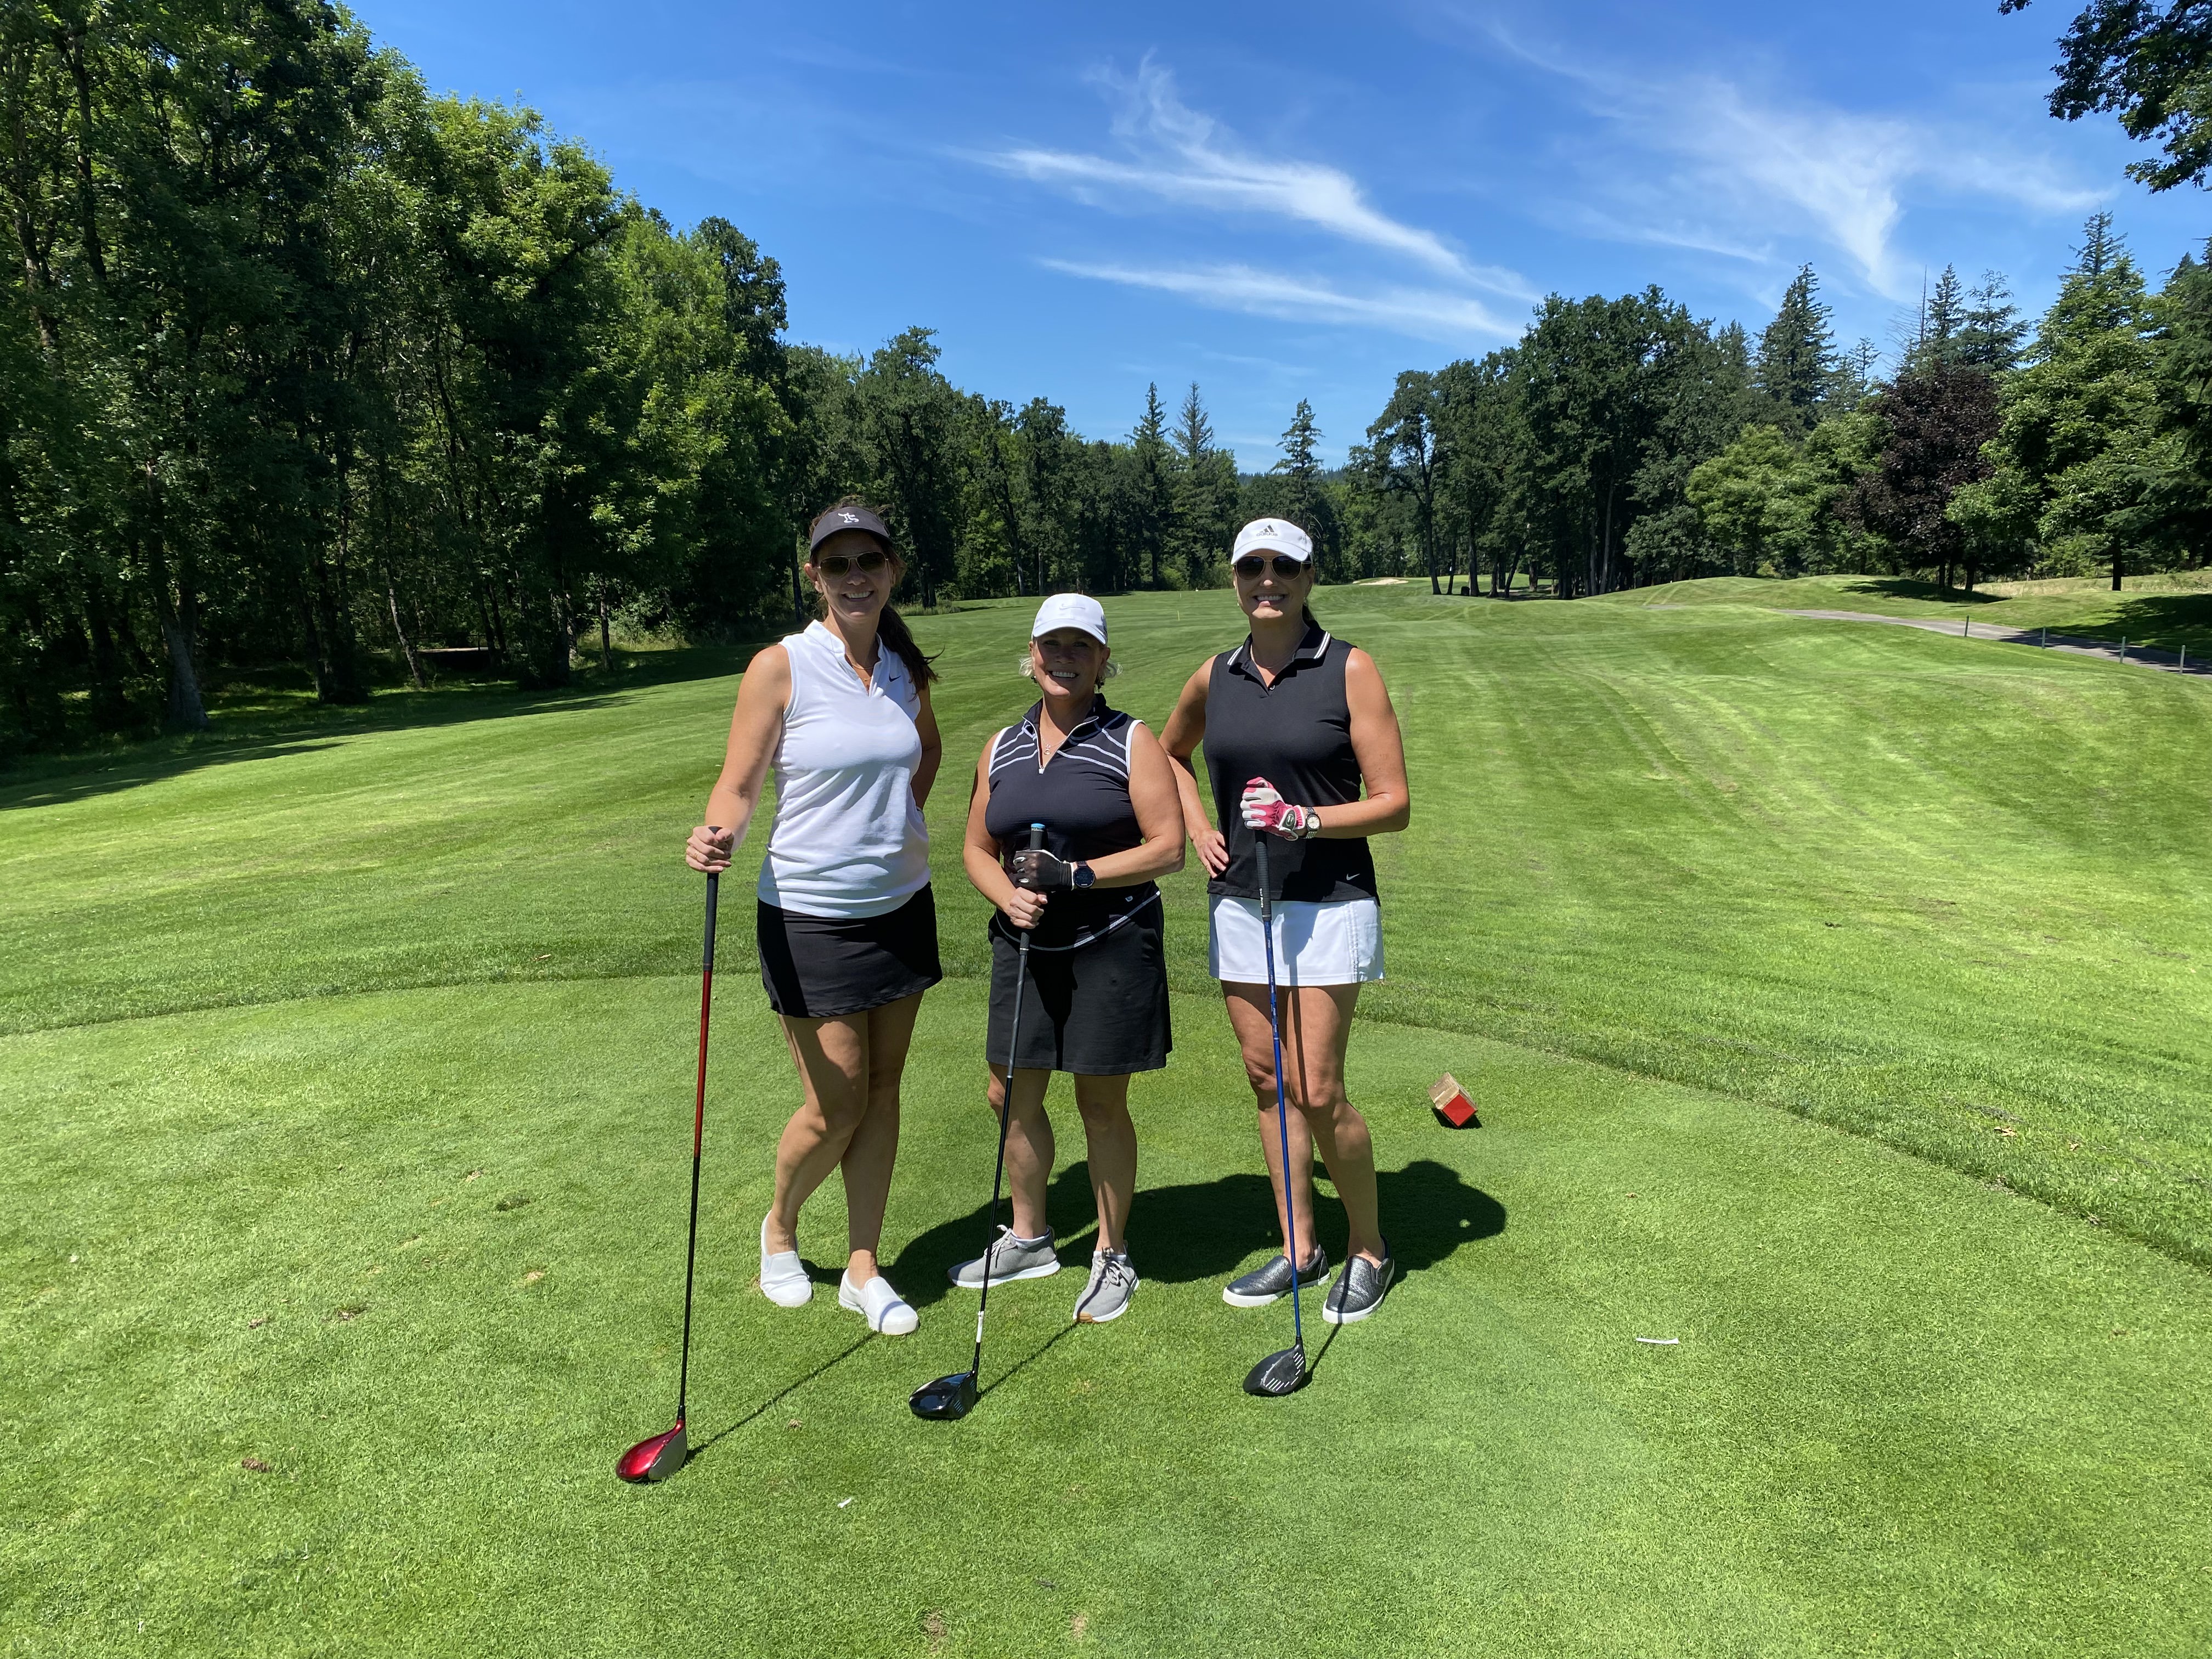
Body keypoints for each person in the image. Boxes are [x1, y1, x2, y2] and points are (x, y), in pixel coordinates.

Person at [684, 499, 943, 1338]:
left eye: (869, 560)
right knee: (835, 1102)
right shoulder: (782, 666)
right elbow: (740, 778)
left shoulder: (905, 667)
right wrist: (720, 831)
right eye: (838, 564)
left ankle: (864, 1264)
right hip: (810, 915)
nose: (856, 575)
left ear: (893, 569)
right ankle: (782, 1228)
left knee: (884, 1089)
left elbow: (925, 749)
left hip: (902, 905)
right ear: (815, 577)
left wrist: (898, 821)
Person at [1161, 517, 1412, 1325]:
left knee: (1317, 1084)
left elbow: (1393, 804)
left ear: (1309, 578)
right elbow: (1171, 754)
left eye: (1284, 567)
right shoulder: (1216, 674)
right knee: (1268, 1080)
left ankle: (1369, 1248)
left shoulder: (1349, 669)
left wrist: (1305, 820)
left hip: (1329, 900)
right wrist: (1199, 825)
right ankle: (1300, 1245)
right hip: (1241, 900)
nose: (1267, 580)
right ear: (1234, 579)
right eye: (1251, 567)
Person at [953, 594, 1184, 1324]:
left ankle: (1112, 1254)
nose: (1064, 658)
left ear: (1103, 660)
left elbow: (1167, 847)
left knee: (1099, 1103)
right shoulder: (1002, 745)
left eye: (1081, 647)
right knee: (1008, 1092)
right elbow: (975, 846)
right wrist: (1007, 895)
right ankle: (1030, 1237)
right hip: (1025, 943)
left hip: (1110, 941)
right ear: (1032, 655)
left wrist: (1077, 876)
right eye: (1052, 645)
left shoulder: (1129, 740)